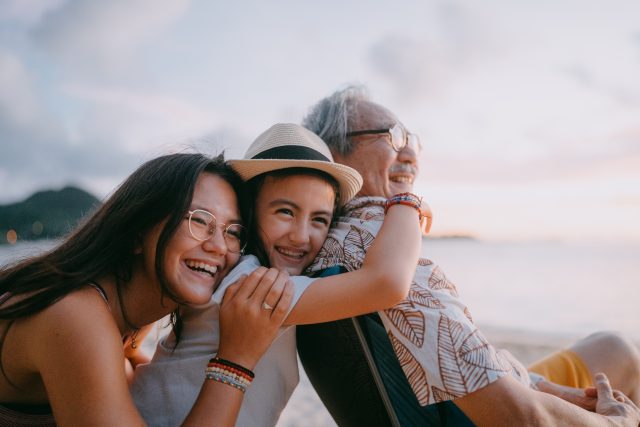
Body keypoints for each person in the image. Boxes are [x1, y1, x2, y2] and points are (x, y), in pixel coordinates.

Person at [298, 85, 640, 426]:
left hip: (463, 403)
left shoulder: (322, 243)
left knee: (608, 347)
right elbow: (520, 417)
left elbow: (461, 363)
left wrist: (551, 390)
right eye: (393, 137)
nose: (411, 155)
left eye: (412, 140)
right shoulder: (383, 250)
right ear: (333, 154)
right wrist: (617, 423)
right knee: (619, 355)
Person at [130, 123, 424, 426]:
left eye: (319, 219)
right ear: (249, 211)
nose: (300, 236)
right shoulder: (255, 286)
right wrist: (405, 202)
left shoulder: (226, 271)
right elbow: (387, 283)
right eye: (285, 212)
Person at [0, 153, 295, 426]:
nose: (219, 246)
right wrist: (235, 361)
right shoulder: (74, 314)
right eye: (199, 221)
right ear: (138, 231)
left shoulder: (133, 317)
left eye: (232, 232)